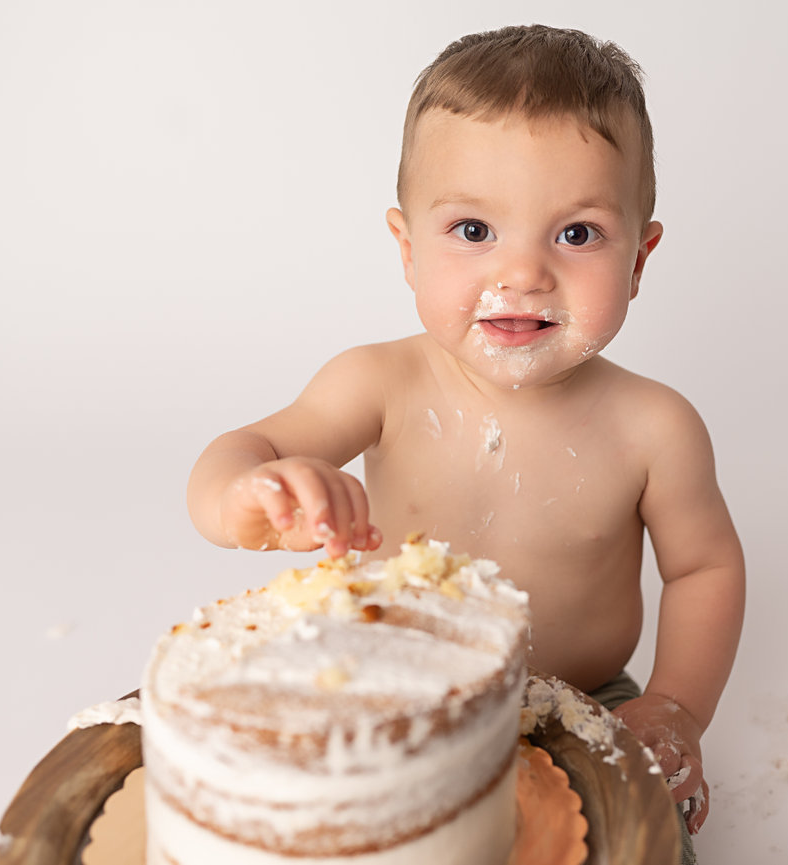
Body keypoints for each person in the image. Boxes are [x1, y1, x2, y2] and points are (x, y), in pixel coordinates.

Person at [186, 24, 744, 859]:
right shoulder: (378, 382)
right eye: (474, 231)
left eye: (577, 233)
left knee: (643, 845)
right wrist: (249, 496)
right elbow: (241, 450)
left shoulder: (653, 425)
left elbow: (704, 567)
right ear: (408, 249)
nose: (521, 274)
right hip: (393, 691)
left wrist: (673, 703)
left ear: (639, 256)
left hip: (580, 698)